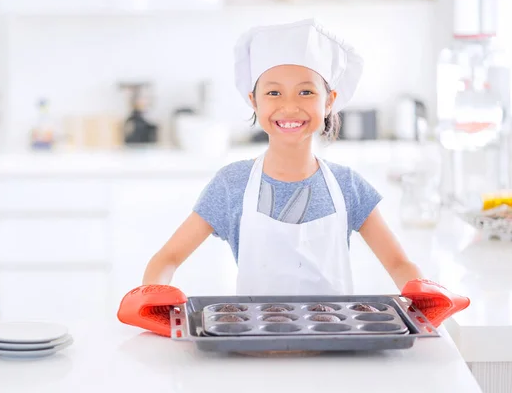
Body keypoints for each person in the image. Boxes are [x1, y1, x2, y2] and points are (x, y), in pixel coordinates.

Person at [117, 18, 469, 337]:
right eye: (273, 92)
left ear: (329, 101)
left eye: (306, 91)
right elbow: (168, 258)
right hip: (254, 345)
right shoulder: (232, 185)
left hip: (336, 344)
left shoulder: (348, 186)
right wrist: (154, 295)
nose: (289, 106)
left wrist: (423, 292)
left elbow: (397, 262)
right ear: (253, 100)